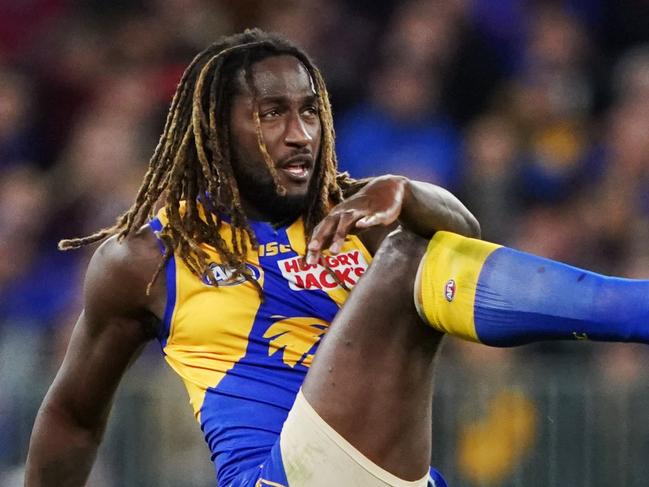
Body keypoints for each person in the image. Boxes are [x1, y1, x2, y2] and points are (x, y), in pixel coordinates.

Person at [25, 29, 649, 487]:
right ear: (216, 130)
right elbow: (73, 416)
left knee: (417, 253)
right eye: (272, 114)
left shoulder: (353, 212)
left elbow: (465, 236)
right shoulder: (147, 255)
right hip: (278, 478)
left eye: (309, 112)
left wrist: (408, 194)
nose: (301, 134)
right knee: (406, 259)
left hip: (392, 475)